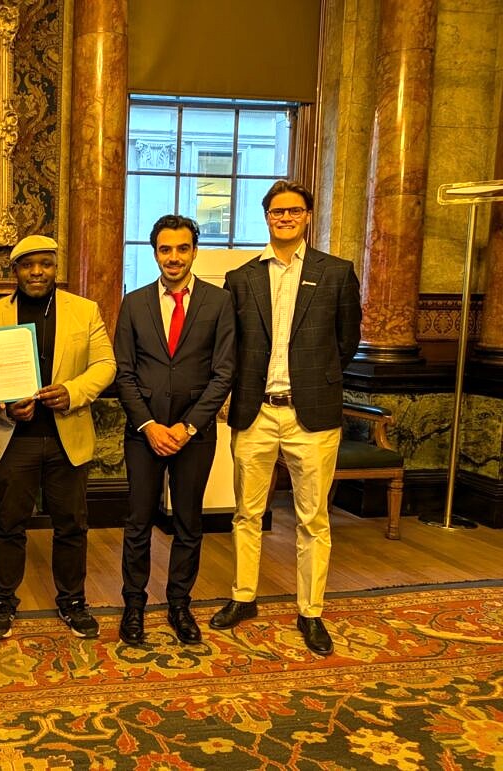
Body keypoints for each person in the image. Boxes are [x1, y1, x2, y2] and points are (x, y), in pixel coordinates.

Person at [209, 180, 361, 656]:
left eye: (294, 210)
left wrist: (314, 380)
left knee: (313, 518)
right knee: (246, 513)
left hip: (311, 414)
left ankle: (310, 611)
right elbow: (230, 346)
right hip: (254, 411)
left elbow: (347, 342)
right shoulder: (241, 278)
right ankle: (243, 597)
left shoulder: (336, 273)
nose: (286, 218)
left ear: (308, 216)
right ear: (267, 217)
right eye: (277, 211)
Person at [0, 235, 116, 640]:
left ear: (56, 268)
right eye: (27, 265)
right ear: (15, 270)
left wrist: (73, 391)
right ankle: (2, 601)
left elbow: (105, 363)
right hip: (13, 438)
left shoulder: (84, 311)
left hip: (66, 435)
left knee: (72, 525)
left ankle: (72, 601)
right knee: (8, 524)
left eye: (45, 264)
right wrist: (3, 405)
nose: (37, 272)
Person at [114, 215, 235, 645]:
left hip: (194, 435)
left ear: (194, 251)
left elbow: (224, 373)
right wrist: (149, 426)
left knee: (188, 523)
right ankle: (133, 606)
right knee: (138, 524)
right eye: (165, 249)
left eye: (182, 248)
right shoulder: (134, 303)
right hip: (144, 433)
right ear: (155, 253)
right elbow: (124, 373)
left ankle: (179, 605)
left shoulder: (219, 303)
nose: (174, 257)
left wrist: (187, 427)